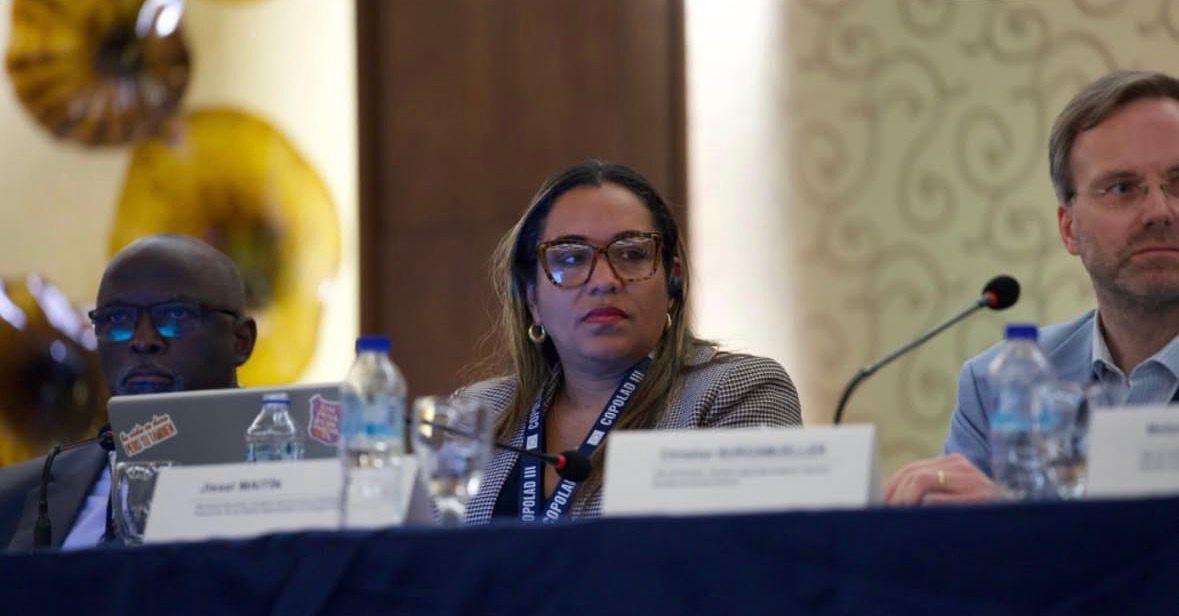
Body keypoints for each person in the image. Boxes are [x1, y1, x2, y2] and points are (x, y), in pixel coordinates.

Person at [886, 70, 1179, 505]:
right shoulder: (997, 384)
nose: (1160, 211)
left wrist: (1016, 519)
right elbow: (962, 545)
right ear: (1069, 228)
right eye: (1122, 188)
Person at [460, 160, 802, 524]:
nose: (604, 281)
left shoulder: (736, 391)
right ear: (533, 298)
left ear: (672, 283)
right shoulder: (478, 413)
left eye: (631, 254)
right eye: (571, 257)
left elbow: (750, 551)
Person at [0, 234, 256, 549]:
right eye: (118, 319)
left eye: (176, 315)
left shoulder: (301, 468)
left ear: (241, 340)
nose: (143, 340)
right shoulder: (13, 496)